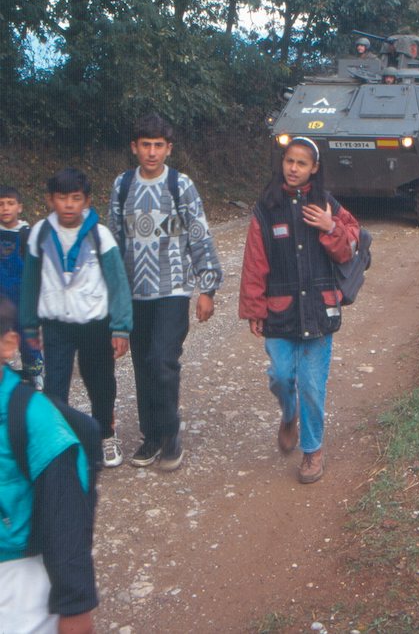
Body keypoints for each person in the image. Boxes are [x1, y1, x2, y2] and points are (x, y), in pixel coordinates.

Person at [239, 136, 360, 484]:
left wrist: (330, 227)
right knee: (280, 377)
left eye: (301, 163)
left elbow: (350, 245)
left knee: (311, 384)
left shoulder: (328, 205)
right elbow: (254, 262)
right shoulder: (267, 208)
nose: (293, 168)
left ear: (315, 168)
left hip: (320, 312)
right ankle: (288, 414)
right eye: (289, 161)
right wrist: (254, 308)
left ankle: (312, 451)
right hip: (280, 311)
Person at [108, 113, 223, 471]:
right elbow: (114, 243)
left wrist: (207, 288)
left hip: (172, 289)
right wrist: (113, 299)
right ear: (134, 147)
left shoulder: (180, 185)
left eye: (158, 145)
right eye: (146, 145)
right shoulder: (122, 185)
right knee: (143, 366)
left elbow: (199, 235)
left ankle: (171, 433)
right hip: (135, 294)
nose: (152, 152)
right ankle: (152, 436)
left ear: (169, 148)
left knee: (162, 361)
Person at [20, 168, 132, 469]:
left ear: (87, 201)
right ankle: (58, 443)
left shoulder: (100, 235)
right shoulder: (40, 234)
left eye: (75, 198)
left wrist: (121, 327)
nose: (69, 205)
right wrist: (28, 324)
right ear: (49, 200)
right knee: (55, 386)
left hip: (95, 323)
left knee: (100, 382)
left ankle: (105, 434)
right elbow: (30, 282)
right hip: (56, 324)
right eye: (62, 198)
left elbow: (118, 283)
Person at [0, 298, 98, 634]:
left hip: (20, 587)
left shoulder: (36, 420)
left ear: (8, 344)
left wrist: (75, 606)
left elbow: (66, 519)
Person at [0, 185, 44, 387]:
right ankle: (5, 376)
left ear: (19, 207)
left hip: (23, 298)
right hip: (2, 299)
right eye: (1, 204)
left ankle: (34, 374)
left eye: (10, 203)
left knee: (27, 339)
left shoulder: (28, 234)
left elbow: (37, 268)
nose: (5, 208)